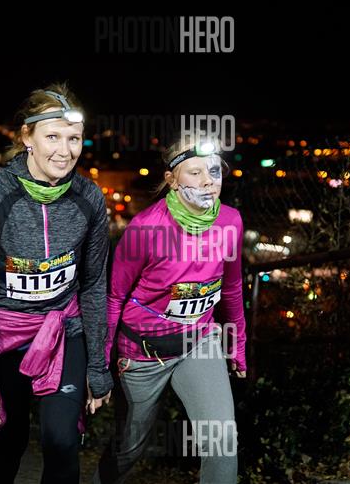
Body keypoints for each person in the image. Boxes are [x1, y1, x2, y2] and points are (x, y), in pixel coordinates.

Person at [0, 83, 112, 484]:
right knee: (9, 441)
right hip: (7, 336)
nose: (65, 150)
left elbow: (94, 285)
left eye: (73, 139)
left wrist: (98, 366)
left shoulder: (90, 197)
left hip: (65, 332)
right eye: (52, 137)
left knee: (61, 441)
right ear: (27, 137)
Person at [95, 136, 247, 484]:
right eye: (195, 172)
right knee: (130, 447)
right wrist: (99, 365)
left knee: (222, 438)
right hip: (144, 351)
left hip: (198, 342)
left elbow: (232, 287)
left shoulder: (231, 221)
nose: (208, 181)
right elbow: (114, 297)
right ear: (172, 179)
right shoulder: (145, 228)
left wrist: (237, 346)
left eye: (214, 171)